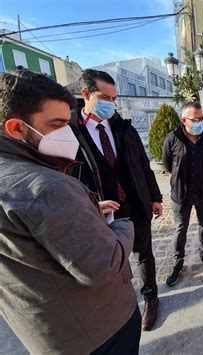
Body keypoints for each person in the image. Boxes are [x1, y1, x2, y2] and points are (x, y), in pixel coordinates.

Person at [0, 70, 140, 354]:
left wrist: (85, 210)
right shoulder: (44, 186)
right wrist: (125, 226)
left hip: (49, 331)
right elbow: (103, 263)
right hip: (97, 331)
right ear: (16, 128)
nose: (67, 132)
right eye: (57, 124)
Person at [71, 69, 163, 331]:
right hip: (100, 211)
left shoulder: (123, 128)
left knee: (144, 254)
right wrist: (88, 205)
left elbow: (144, 166)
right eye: (104, 97)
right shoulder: (70, 132)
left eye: (114, 98)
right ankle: (120, 305)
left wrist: (155, 197)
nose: (110, 104)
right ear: (86, 94)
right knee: (112, 262)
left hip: (135, 203)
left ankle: (151, 298)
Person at [162, 102, 203, 286]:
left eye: (201, 118)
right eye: (194, 119)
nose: (199, 122)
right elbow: (167, 165)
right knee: (181, 228)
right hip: (182, 194)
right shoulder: (173, 138)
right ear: (184, 120)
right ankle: (177, 264)